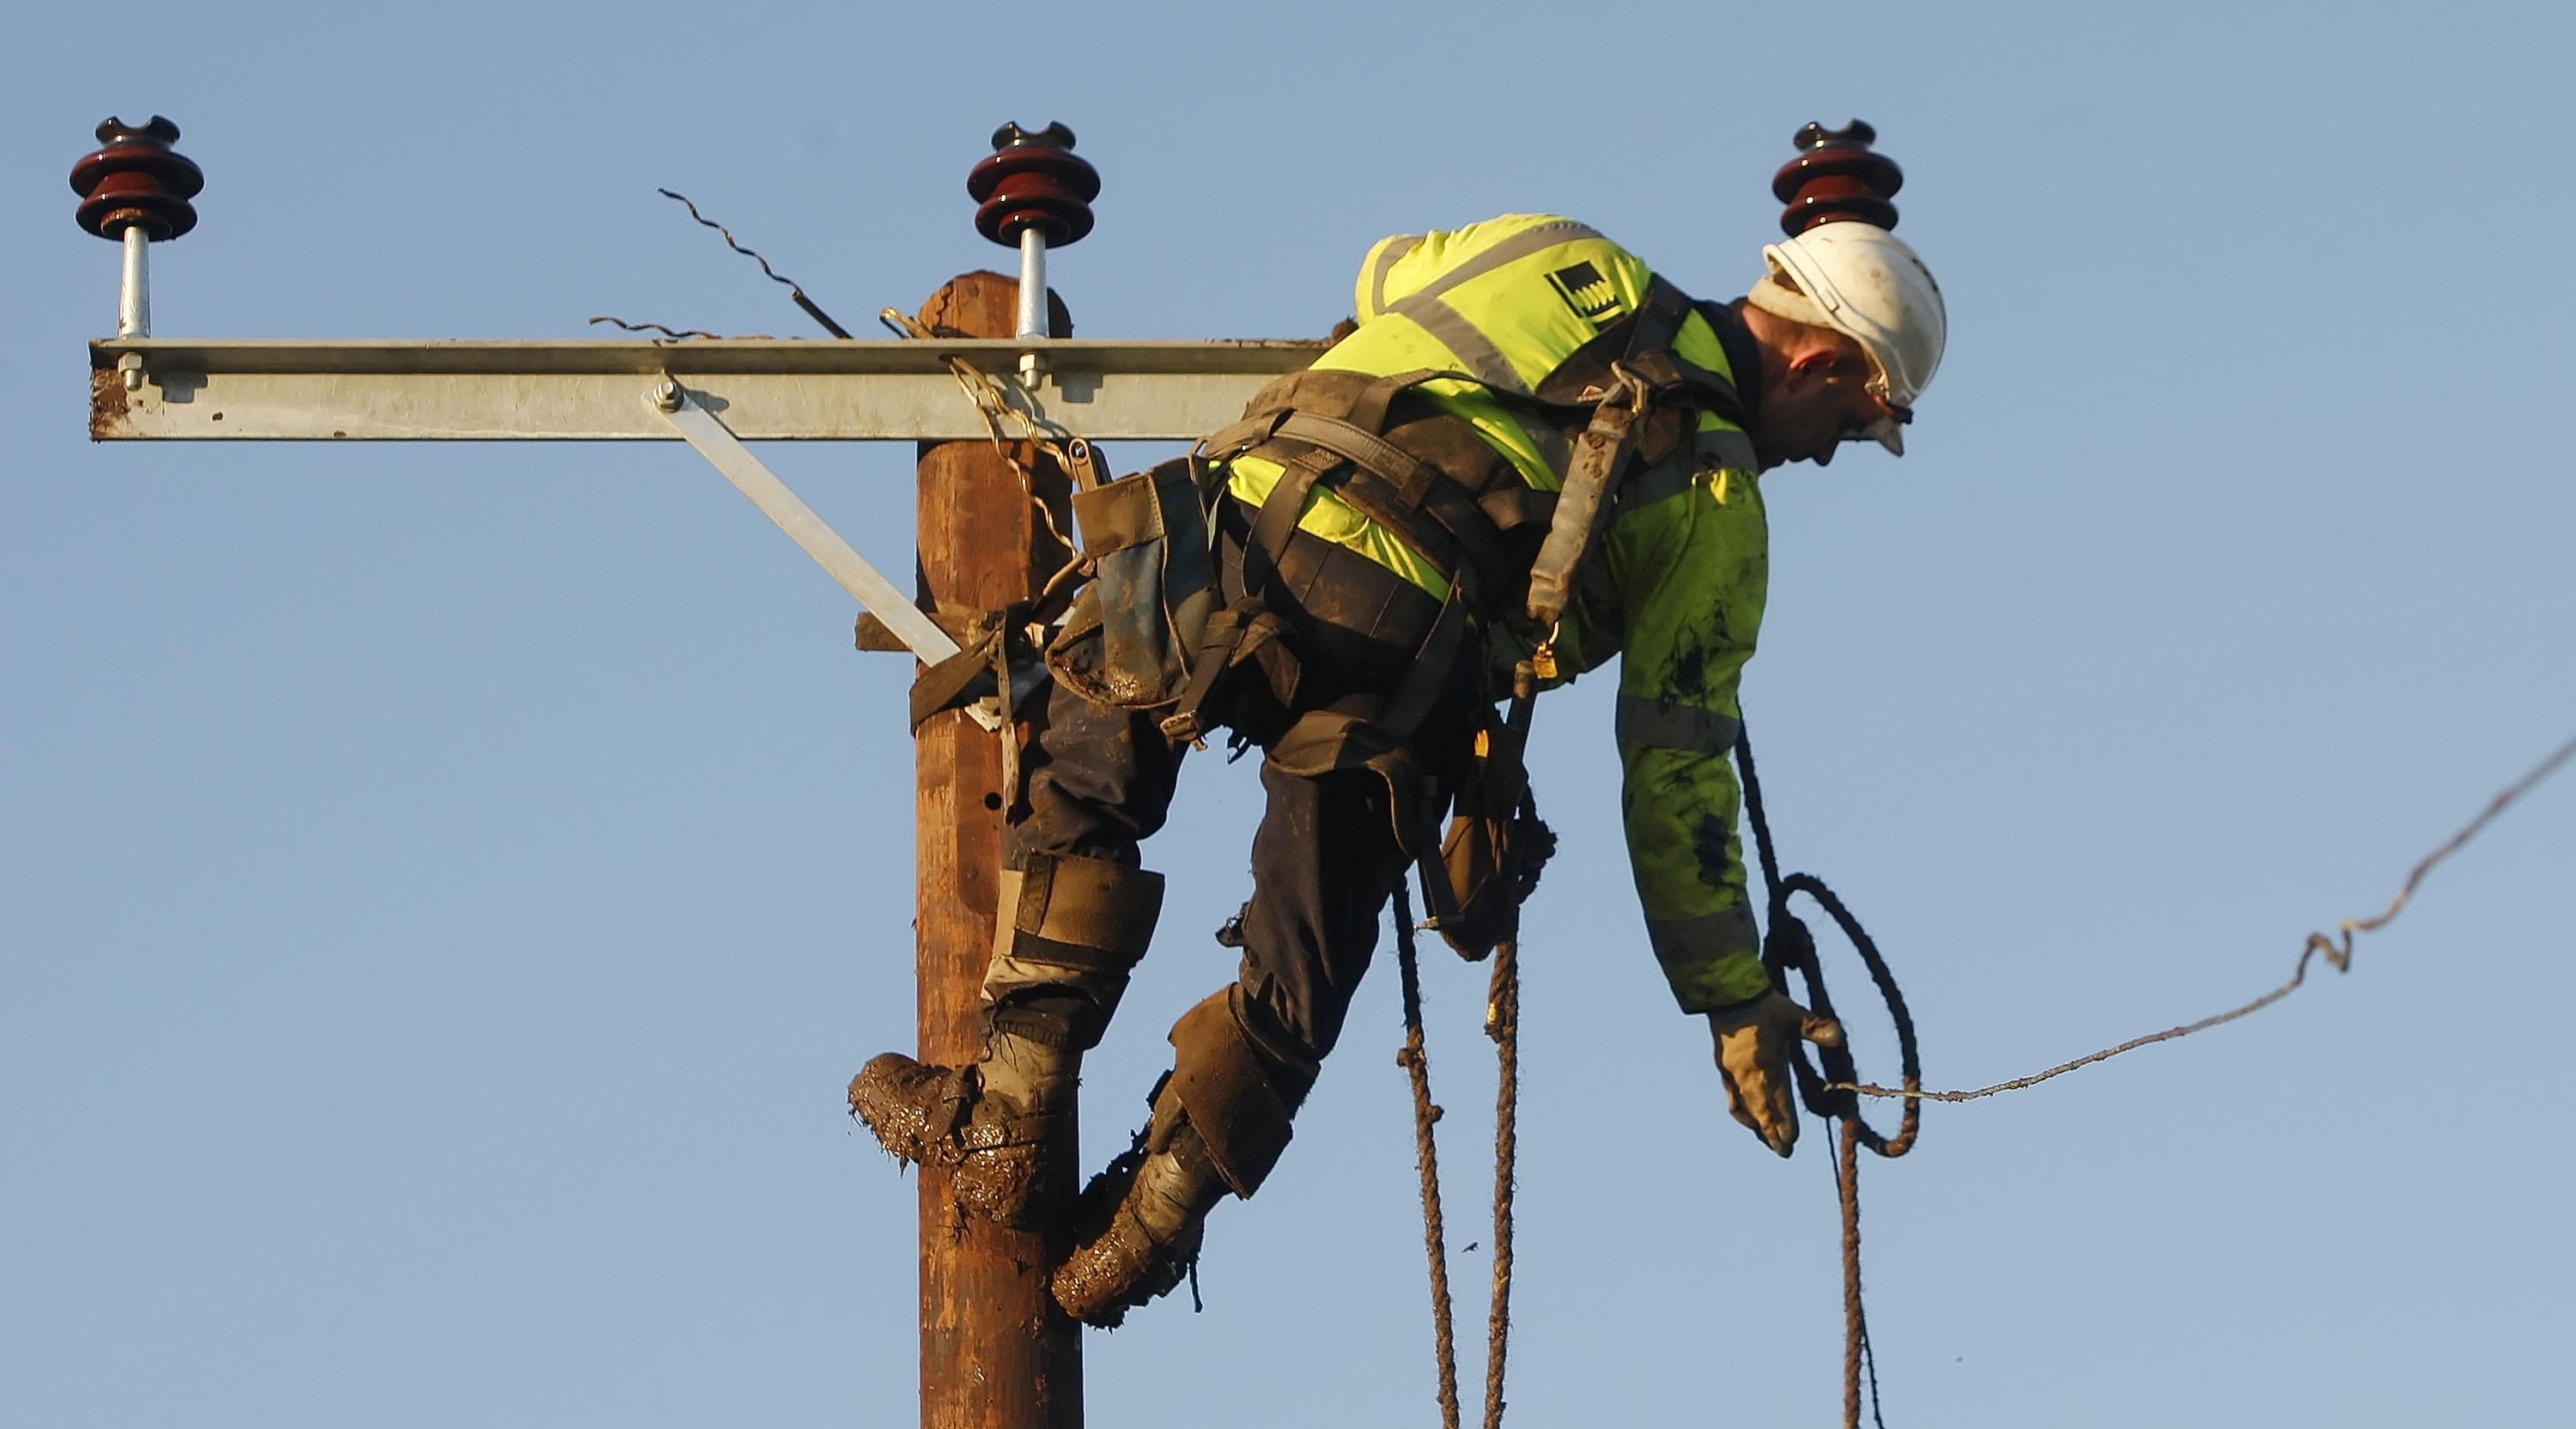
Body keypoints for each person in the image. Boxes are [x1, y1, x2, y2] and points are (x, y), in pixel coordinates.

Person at [852, 196, 1947, 1328]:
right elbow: (1678, 776)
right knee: (1306, 953)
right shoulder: (1719, 506)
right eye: (1852, 426)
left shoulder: (1558, 249)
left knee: (1089, 747)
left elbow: (1386, 276)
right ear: (1819, 359)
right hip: (1409, 656)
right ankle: (1140, 1236)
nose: (1825, 454)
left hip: (1246, 532)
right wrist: (1732, 1003)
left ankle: (1010, 1114)